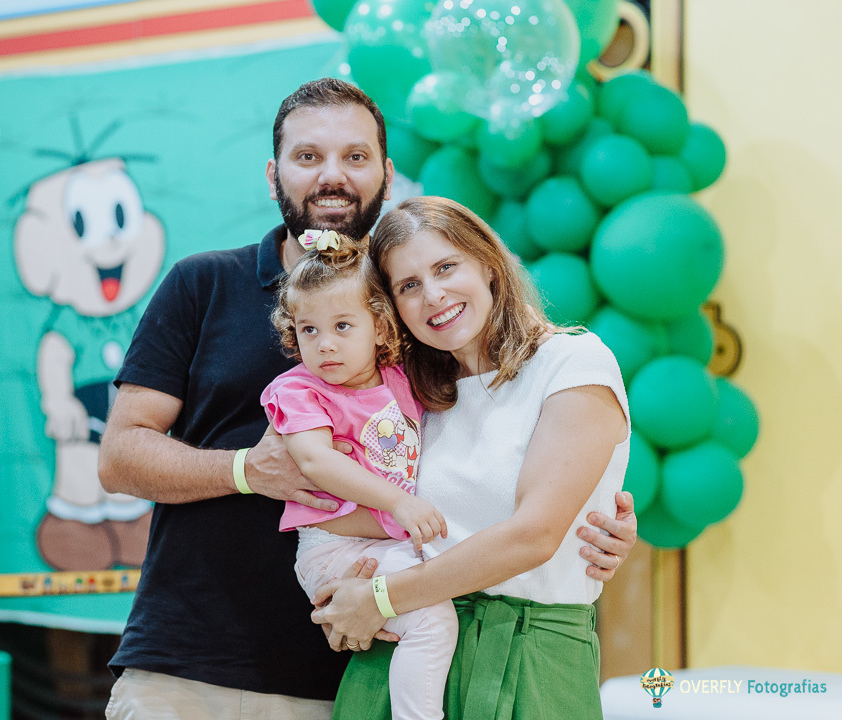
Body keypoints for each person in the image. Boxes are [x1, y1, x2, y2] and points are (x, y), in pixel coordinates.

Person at [97, 78, 637, 720]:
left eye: (355, 157)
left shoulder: (412, 331)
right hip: (192, 667)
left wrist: (594, 516)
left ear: (386, 172)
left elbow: (477, 479)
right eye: (307, 157)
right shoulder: (202, 284)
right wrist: (247, 470)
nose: (332, 176)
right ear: (274, 176)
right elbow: (120, 458)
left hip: (355, 665)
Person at [311, 196, 631, 720]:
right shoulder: (409, 395)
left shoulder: (572, 362)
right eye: (408, 286)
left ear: (487, 262)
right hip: (403, 654)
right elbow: (352, 503)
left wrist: (380, 598)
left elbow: (534, 535)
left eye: (445, 267)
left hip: (527, 654)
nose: (433, 295)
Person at [263, 230, 458, 720]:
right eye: (309, 330)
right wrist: (398, 503)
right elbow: (317, 462)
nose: (325, 345)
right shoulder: (299, 391)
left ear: (380, 325)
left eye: (343, 325)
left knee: (436, 611)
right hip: (333, 550)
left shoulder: (400, 378)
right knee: (433, 618)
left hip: (389, 544)